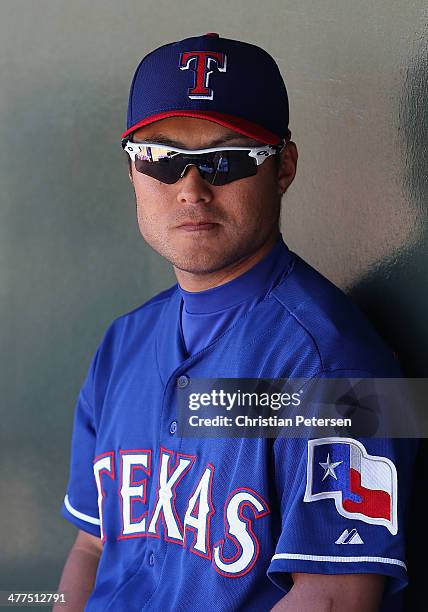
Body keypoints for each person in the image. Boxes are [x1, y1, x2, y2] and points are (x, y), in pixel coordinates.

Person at [56, 33, 415, 611]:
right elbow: (93, 548)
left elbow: (336, 598)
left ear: (284, 168)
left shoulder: (345, 367)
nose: (191, 189)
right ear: (131, 172)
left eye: (226, 159)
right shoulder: (121, 342)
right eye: (162, 159)